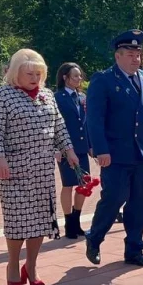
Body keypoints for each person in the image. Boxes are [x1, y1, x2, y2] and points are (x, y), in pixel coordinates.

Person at [0, 49, 79, 285]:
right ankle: (13, 264)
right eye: (29, 73)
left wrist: (69, 150)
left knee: (40, 220)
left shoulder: (47, 96)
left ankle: (32, 264)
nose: (34, 78)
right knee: (17, 221)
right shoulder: (2, 97)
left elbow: (59, 126)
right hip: (14, 170)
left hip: (43, 169)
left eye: (39, 73)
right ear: (16, 73)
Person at [84, 30, 143, 269]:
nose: (136, 58)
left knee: (138, 202)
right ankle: (95, 237)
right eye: (130, 54)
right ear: (118, 56)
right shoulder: (103, 80)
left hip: (142, 153)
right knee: (114, 198)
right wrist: (100, 149)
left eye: (138, 54)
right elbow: (94, 119)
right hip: (114, 154)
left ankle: (134, 248)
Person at [54, 63, 91, 239]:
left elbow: (86, 124)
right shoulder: (57, 98)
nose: (78, 79)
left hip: (82, 147)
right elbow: (53, 124)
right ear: (64, 77)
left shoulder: (82, 97)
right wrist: (56, 148)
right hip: (65, 148)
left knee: (84, 185)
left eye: (79, 76)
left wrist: (91, 146)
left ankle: (77, 218)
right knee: (68, 185)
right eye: (74, 76)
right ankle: (68, 221)